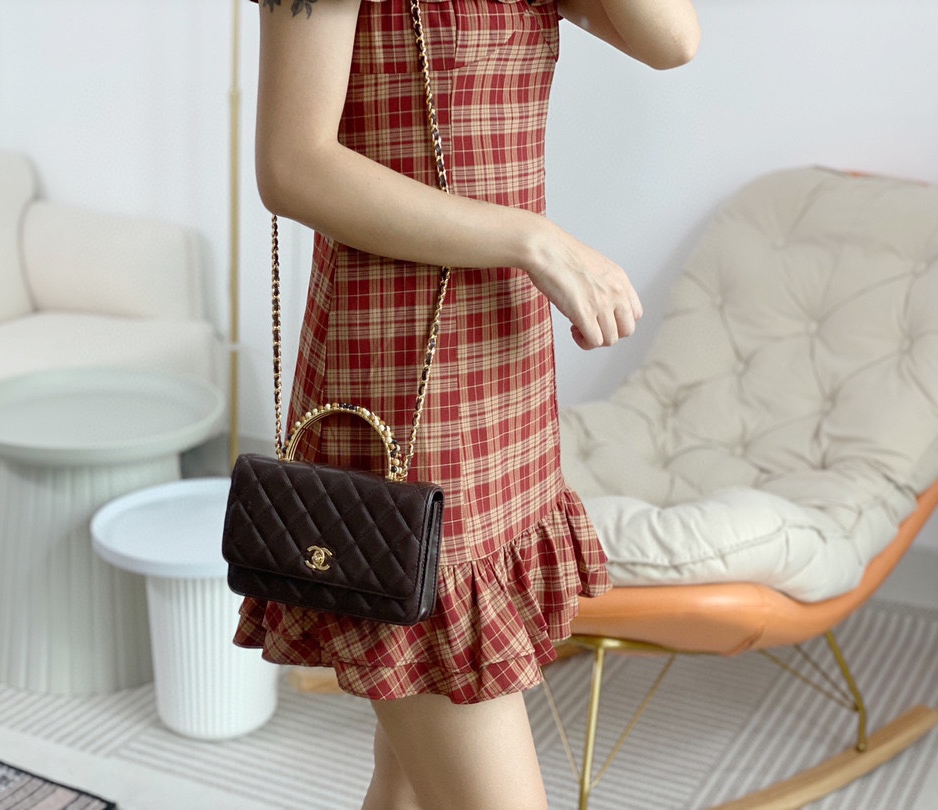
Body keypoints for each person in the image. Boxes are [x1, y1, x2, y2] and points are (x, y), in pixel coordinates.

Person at [234, 1, 700, 807]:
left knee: (408, 784)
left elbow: (673, 39)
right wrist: (533, 239)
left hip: (501, 368)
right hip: (395, 384)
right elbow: (292, 164)